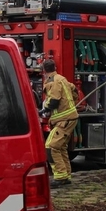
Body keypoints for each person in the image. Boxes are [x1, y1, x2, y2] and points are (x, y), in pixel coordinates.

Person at [39, 58, 78, 188]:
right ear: (55, 67)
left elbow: (54, 101)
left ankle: (60, 177)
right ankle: (66, 176)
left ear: (44, 70)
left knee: (51, 146)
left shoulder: (53, 82)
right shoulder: (62, 78)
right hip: (68, 117)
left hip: (64, 119)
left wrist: (43, 110)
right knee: (61, 148)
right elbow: (74, 90)